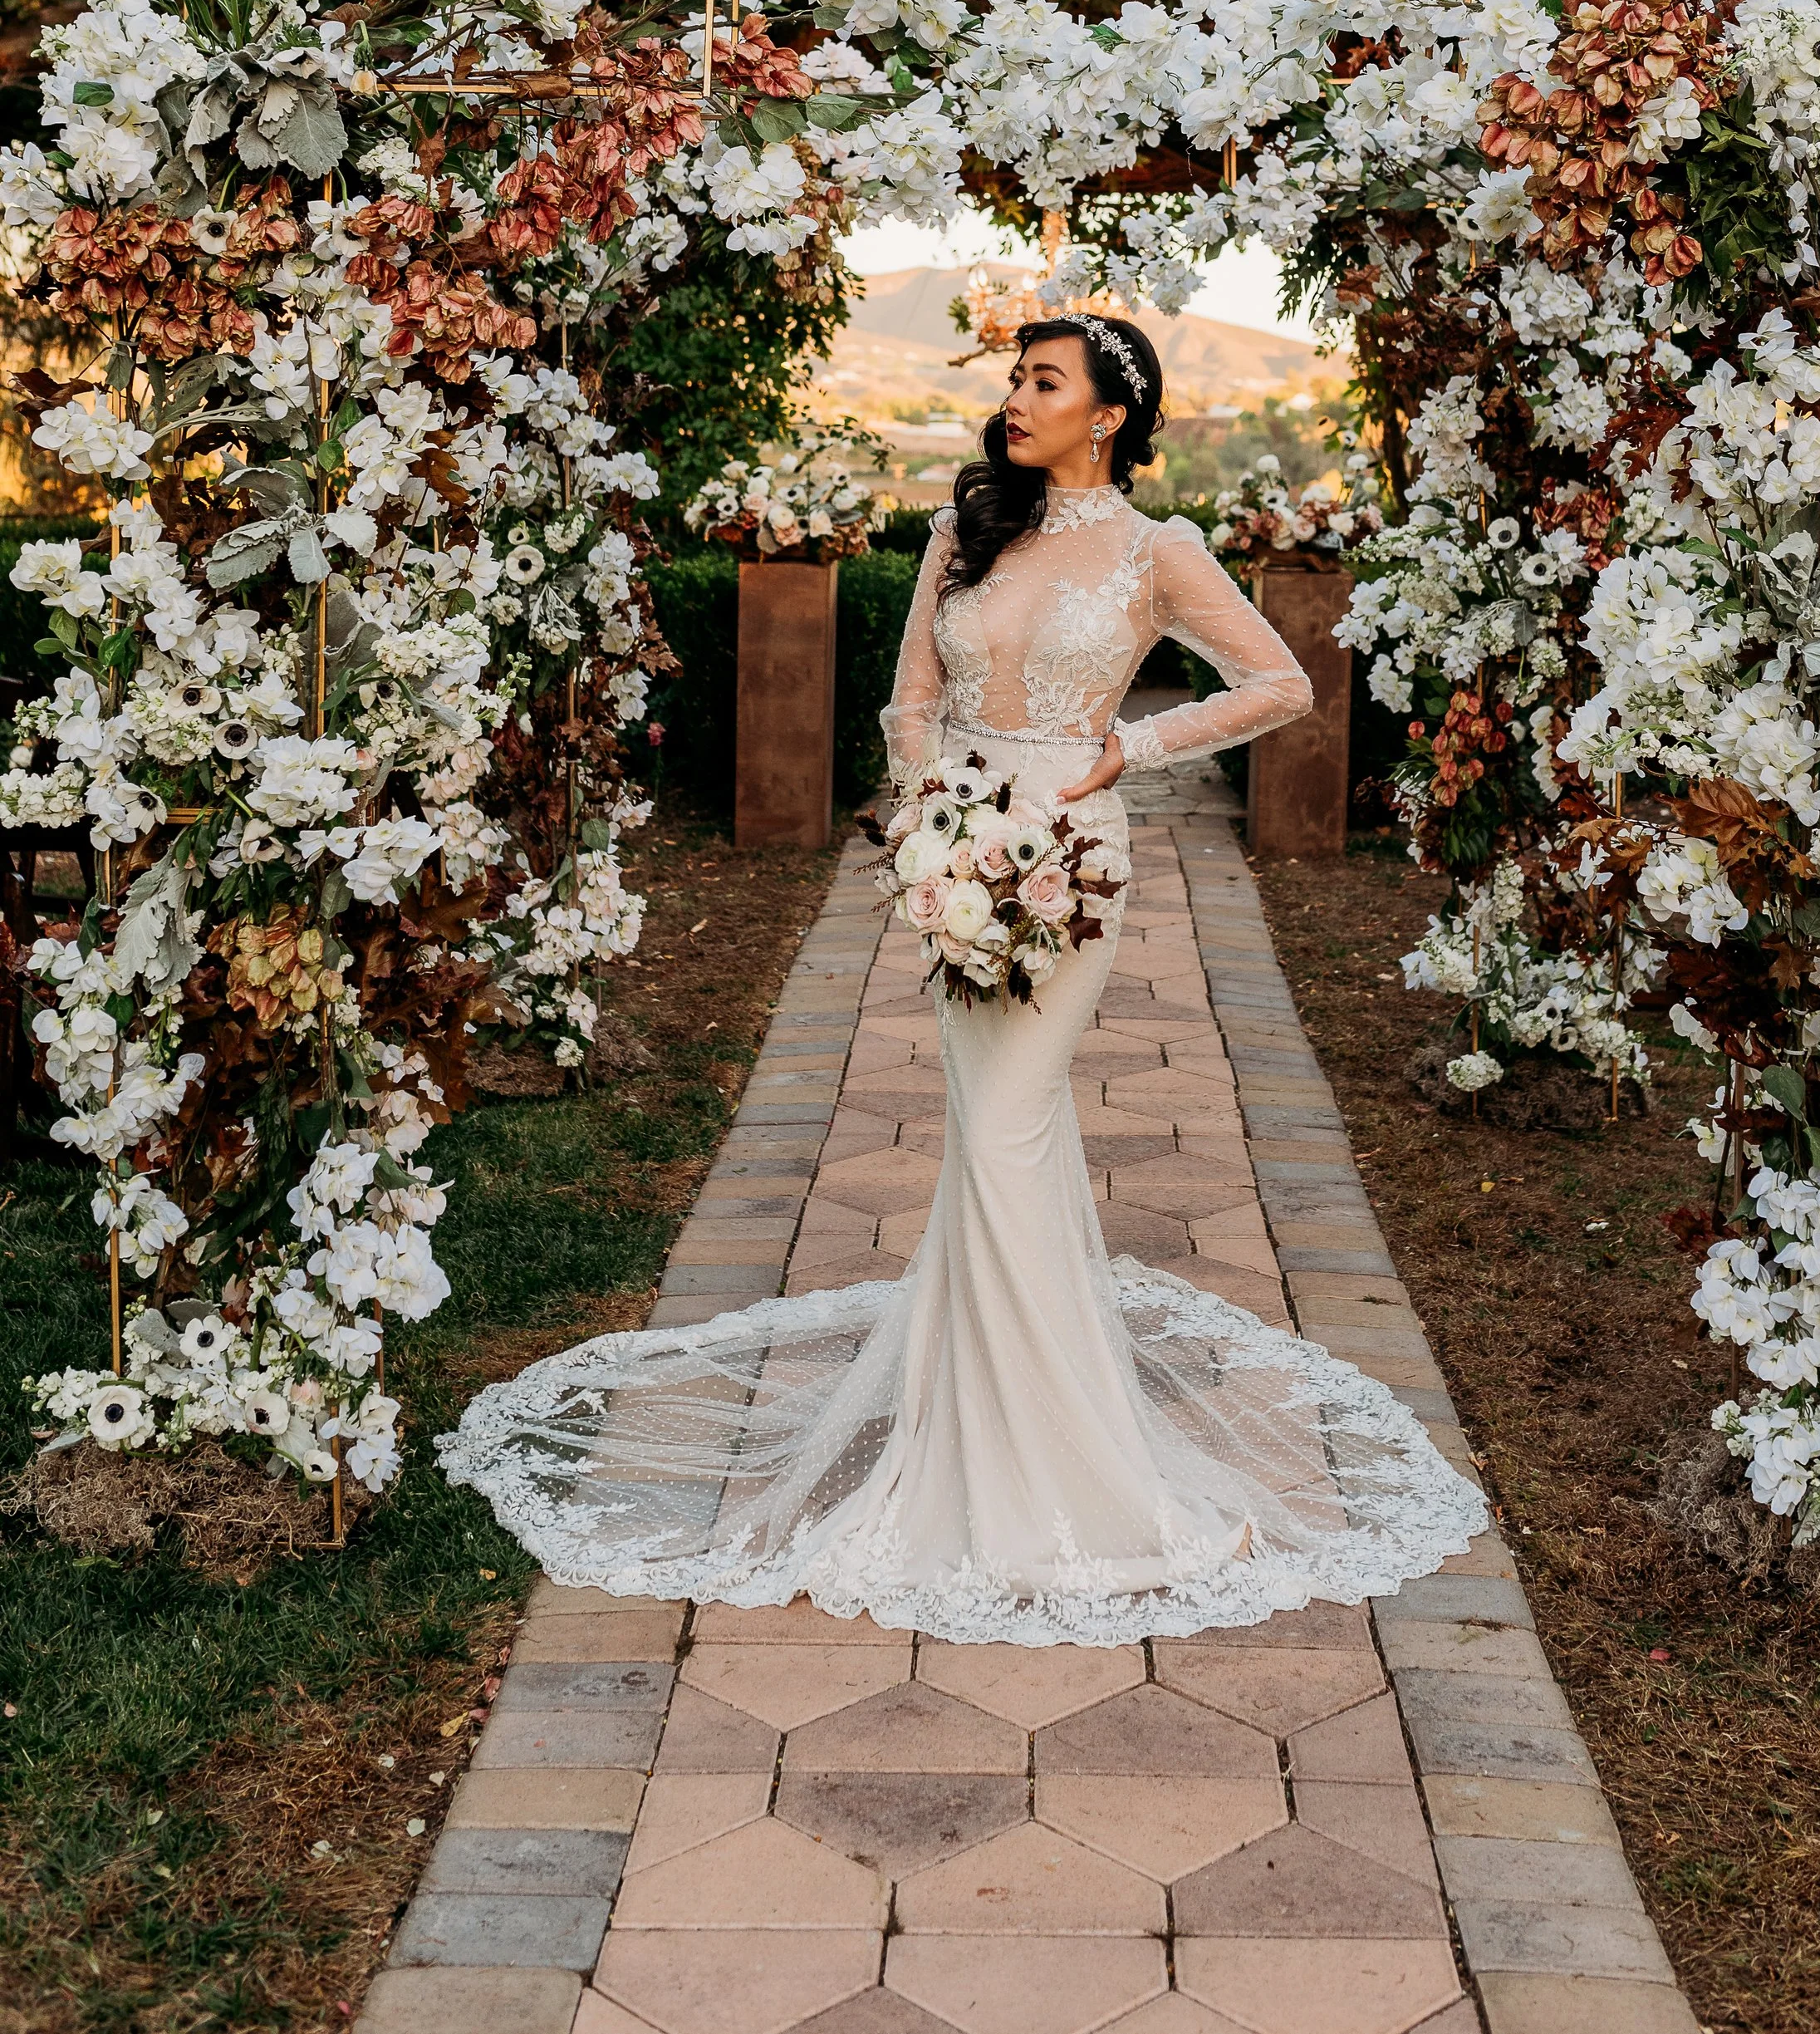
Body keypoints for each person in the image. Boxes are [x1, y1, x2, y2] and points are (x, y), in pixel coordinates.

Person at [439, 314, 1484, 1640]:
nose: (1017, 398)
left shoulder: (1158, 551)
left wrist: (1131, 751)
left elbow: (1280, 685)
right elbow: (911, 694)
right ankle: (978, 1424)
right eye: (1014, 379)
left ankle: (1071, 1475)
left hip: (1073, 855)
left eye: (1045, 381)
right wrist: (932, 815)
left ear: (1110, 413)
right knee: (991, 1136)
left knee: (1004, 1131)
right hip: (958, 854)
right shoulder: (965, 529)